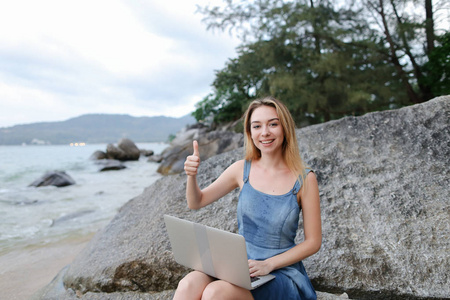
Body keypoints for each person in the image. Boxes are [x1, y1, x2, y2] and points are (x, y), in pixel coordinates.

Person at [174, 96, 321, 300]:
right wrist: (191, 175)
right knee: (187, 285)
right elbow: (196, 201)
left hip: (279, 273)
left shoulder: (304, 178)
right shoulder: (241, 169)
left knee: (215, 293)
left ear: (285, 128)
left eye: (273, 124)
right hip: (239, 267)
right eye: (257, 126)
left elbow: (313, 242)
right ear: (250, 133)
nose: (265, 132)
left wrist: (269, 264)